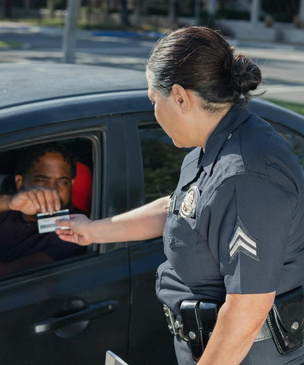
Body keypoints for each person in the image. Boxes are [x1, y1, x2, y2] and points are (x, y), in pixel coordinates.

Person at [55, 26, 304, 364]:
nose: (154, 112)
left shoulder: (246, 175)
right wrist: (91, 230)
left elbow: (248, 306)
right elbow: (180, 209)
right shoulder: (212, 147)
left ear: (181, 97)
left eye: (154, 101)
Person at [0, 142, 85, 275]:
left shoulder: (77, 227)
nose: (52, 190)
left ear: (71, 184)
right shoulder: (8, 208)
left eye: (62, 181)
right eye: (41, 180)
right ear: (20, 184)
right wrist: (9, 202)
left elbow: (8, 273)